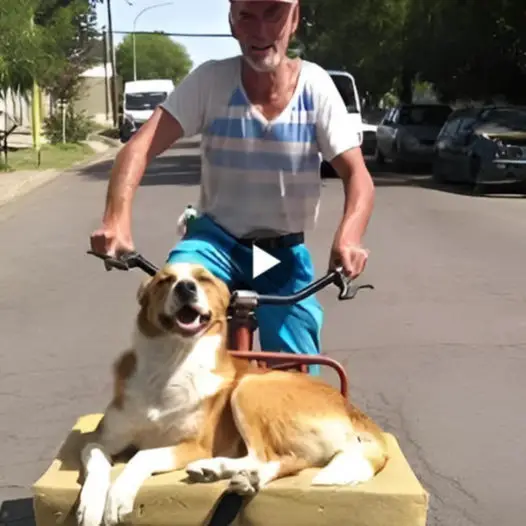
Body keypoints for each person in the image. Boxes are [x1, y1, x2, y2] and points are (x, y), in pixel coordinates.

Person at [90, 0, 375, 375]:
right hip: (215, 244)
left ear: (294, 20)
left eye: (273, 13)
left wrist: (349, 238)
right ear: (232, 23)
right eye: (247, 16)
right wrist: (116, 221)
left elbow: (358, 175)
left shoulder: (315, 87)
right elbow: (137, 148)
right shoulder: (211, 81)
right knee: (172, 312)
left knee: (296, 376)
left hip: (278, 253)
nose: (260, 31)